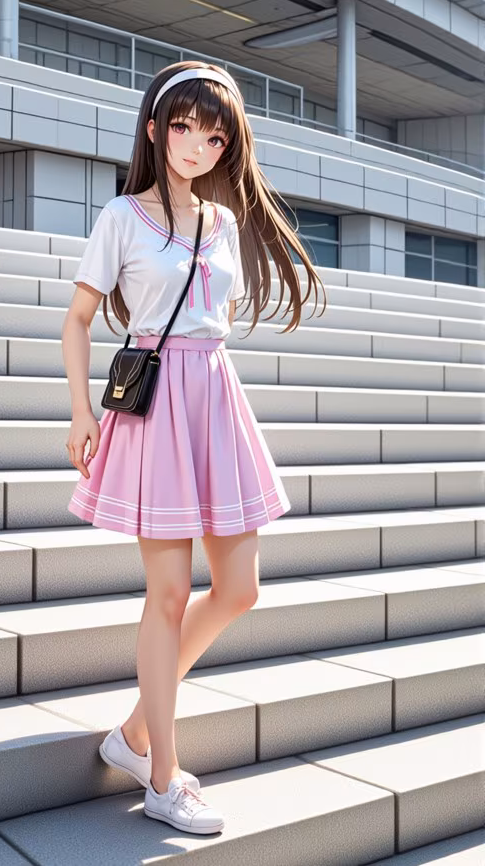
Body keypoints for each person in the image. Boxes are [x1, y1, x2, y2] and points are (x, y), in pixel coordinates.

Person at [62, 60, 326, 835]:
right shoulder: (121, 217)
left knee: (239, 588)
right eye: (183, 127)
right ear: (154, 128)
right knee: (170, 593)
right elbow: (78, 320)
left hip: (214, 398)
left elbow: (218, 317)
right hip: (155, 407)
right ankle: (162, 777)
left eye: (213, 136)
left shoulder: (225, 224)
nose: (196, 145)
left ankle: (137, 733)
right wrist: (80, 413)